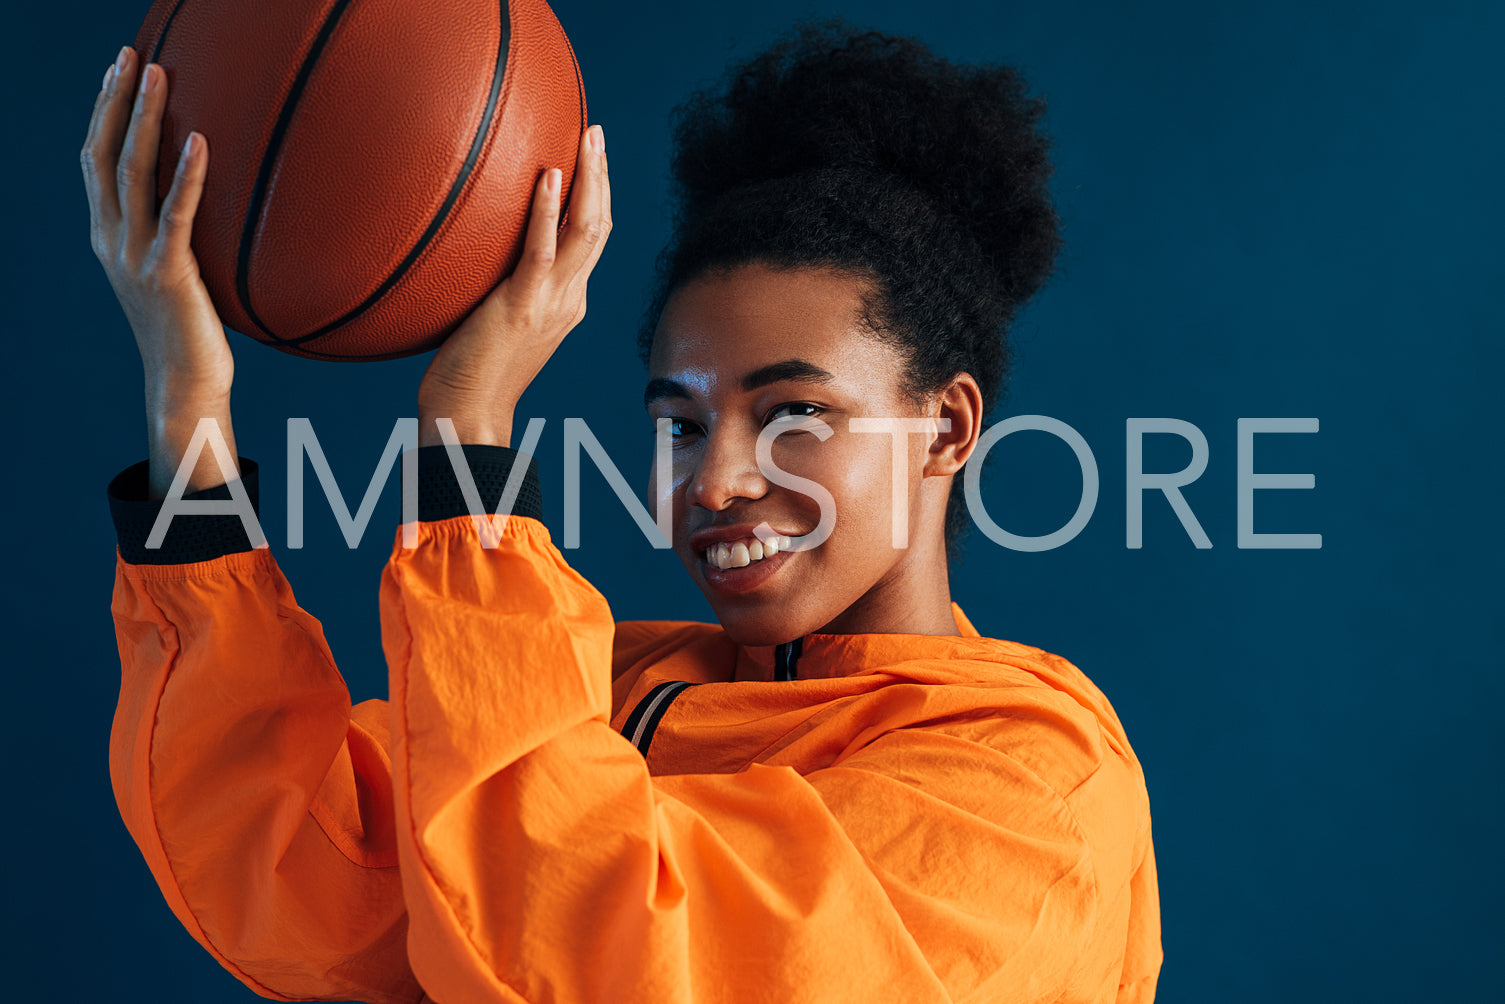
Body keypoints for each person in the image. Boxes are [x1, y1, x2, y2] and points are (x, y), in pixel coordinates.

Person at [88, 17, 1162, 1004]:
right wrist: (188, 402)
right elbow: (296, 880)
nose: (714, 479)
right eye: (681, 423)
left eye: (792, 412)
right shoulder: (608, 687)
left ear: (946, 426)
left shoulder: (1028, 783)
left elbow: (582, 945)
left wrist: (468, 426)